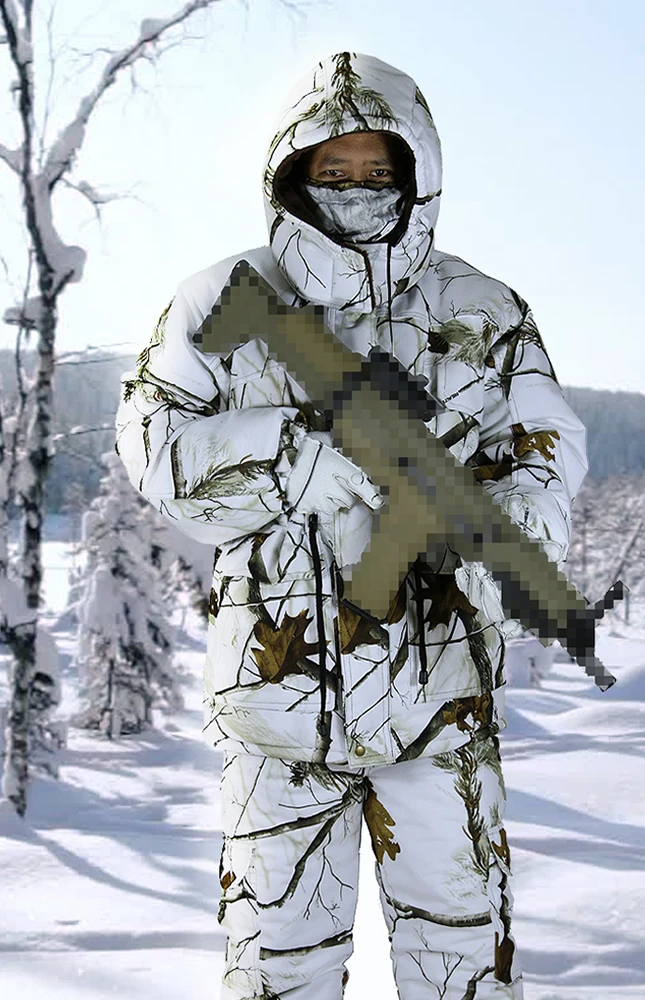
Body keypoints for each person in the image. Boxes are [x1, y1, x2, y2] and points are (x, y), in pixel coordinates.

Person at [115, 51, 589, 1000]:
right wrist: (298, 457)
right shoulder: (221, 302)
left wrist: (501, 530)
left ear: (416, 175)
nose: (360, 189)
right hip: (274, 715)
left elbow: (545, 443)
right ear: (292, 173)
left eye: (380, 170)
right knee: (274, 979)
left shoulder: (481, 309)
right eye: (335, 170)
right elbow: (156, 446)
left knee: (463, 972)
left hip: (441, 708)